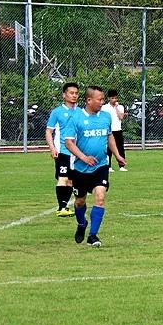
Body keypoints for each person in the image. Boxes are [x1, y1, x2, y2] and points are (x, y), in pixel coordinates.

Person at [63, 85, 125, 247]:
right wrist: (83, 157)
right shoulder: (76, 118)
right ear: (89, 100)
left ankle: (93, 235)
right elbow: (69, 143)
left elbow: (109, 137)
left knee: (100, 197)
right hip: (80, 169)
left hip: (101, 166)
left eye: (103, 99)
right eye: (100, 99)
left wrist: (118, 156)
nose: (102, 102)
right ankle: (82, 223)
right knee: (80, 202)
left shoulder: (105, 117)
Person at [45, 81, 81, 217]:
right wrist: (52, 148)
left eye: (76, 93)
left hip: (76, 152)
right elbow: (49, 131)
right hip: (63, 151)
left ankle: (66, 206)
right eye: (71, 93)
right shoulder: (57, 112)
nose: (74, 96)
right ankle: (62, 207)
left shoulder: (80, 112)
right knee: (63, 177)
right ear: (64, 95)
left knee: (71, 180)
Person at [103, 89, 127, 171]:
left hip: (118, 130)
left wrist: (116, 108)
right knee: (108, 149)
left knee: (120, 148)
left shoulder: (120, 107)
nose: (114, 100)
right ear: (109, 98)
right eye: (112, 98)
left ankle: (122, 166)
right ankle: (108, 166)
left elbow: (121, 117)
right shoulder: (104, 107)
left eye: (115, 98)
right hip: (109, 131)